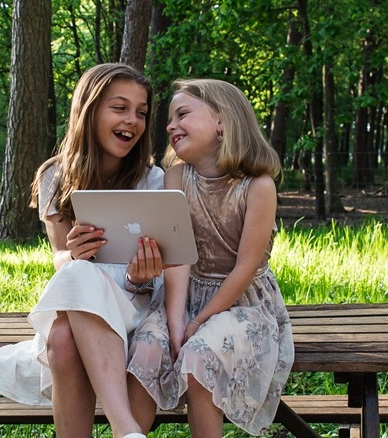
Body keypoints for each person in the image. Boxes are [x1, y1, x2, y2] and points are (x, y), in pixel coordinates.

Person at [0, 63, 165, 438]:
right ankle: (126, 431)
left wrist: (137, 275)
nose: (132, 120)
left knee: (76, 287)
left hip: (137, 303)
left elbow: (162, 271)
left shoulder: (153, 179)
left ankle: (124, 429)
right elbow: (60, 258)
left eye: (141, 112)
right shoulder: (55, 176)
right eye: (120, 107)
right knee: (64, 332)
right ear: (90, 109)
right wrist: (73, 253)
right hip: (82, 301)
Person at [126, 78, 293, 437]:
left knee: (201, 353)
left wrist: (198, 322)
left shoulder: (258, 186)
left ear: (222, 121)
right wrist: (174, 321)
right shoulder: (176, 178)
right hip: (182, 296)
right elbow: (178, 257)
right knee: (146, 348)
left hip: (241, 303)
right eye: (169, 119)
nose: (170, 125)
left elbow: (246, 267)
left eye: (182, 114)